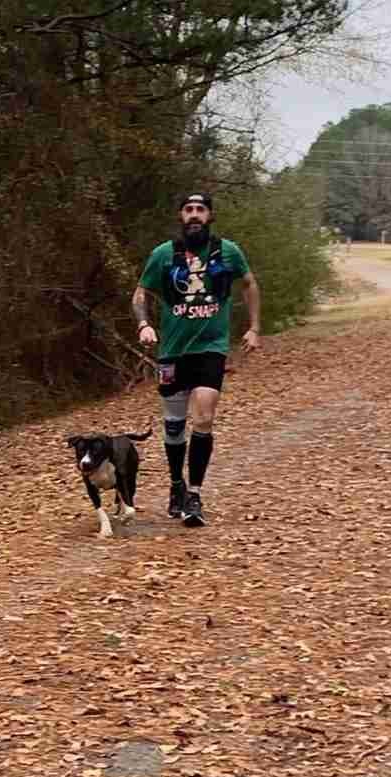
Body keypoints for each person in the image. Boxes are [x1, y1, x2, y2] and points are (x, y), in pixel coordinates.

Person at [131, 191, 261, 527]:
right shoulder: (163, 254)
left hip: (211, 348)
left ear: (210, 216)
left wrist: (254, 327)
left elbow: (248, 284)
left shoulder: (227, 251)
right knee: (174, 427)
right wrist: (144, 323)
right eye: (188, 210)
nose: (194, 215)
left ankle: (195, 495)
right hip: (173, 350)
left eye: (200, 210)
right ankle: (176, 484)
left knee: (203, 417)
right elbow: (140, 293)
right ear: (180, 216)